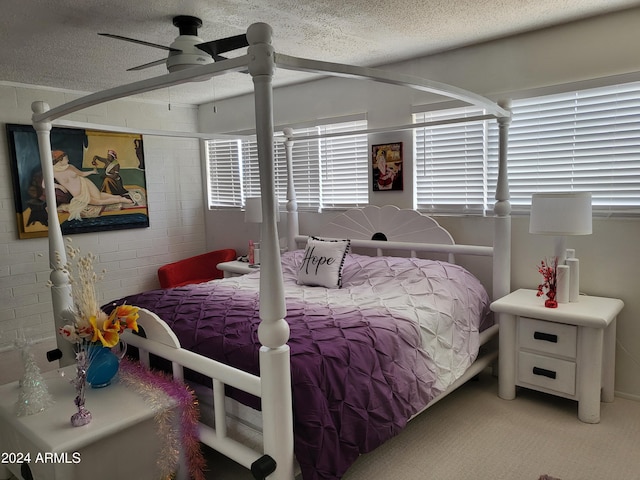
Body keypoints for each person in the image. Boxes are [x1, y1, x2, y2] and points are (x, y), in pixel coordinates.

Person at [52, 150, 133, 221]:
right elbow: (44, 184)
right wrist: (59, 186)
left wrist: (92, 172)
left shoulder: (70, 167)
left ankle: (118, 197)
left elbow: (82, 174)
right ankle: (120, 200)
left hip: (85, 183)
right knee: (98, 201)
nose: (68, 160)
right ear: (60, 160)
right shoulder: (53, 171)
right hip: (79, 194)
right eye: (66, 158)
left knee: (98, 196)